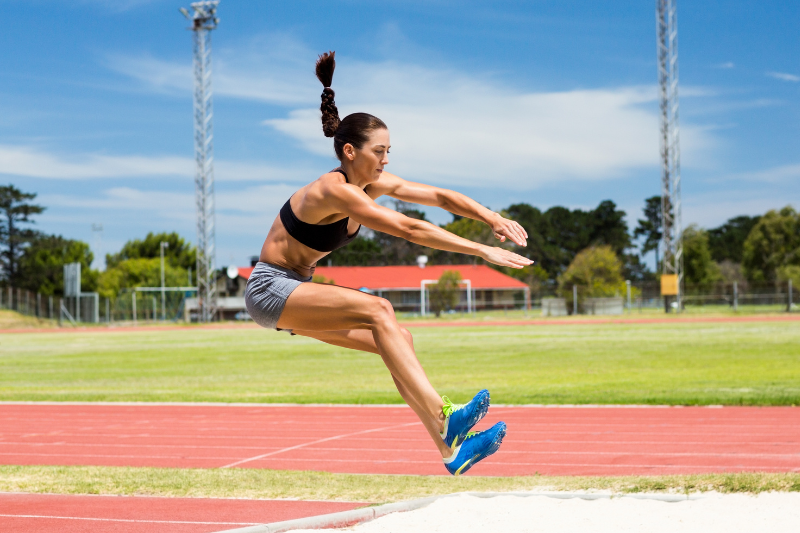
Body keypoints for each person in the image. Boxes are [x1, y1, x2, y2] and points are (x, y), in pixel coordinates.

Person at [245, 51, 533, 476]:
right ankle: (446, 415)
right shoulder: (334, 190)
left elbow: (438, 198)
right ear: (349, 151)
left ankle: (451, 452)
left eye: (388, 151)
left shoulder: (370, 185)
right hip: (270, 289)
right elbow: (409, 229)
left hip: (294, 292)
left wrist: (489, 217)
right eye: (379, 151)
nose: (385, 160)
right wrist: (481, 251)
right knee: (380, 309)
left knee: (397, 337)